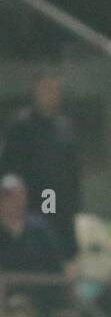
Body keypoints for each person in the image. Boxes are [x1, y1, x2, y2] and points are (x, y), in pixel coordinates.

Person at [0, 72, 81, 261]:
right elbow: (11, 165)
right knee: (43, 237)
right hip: (38, 197)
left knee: (63, 245)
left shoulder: (64, 126)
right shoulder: (21, 125)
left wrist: (74, 202)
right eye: (46, 89)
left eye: (55, 90)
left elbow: (72, 167)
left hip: (61, 200)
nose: (51, 94)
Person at [0, 174, 64, 281]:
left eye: (18, 196)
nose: (14, 202)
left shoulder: (39, 228)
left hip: (38, 291)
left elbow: (55, 265)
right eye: (7, 197)